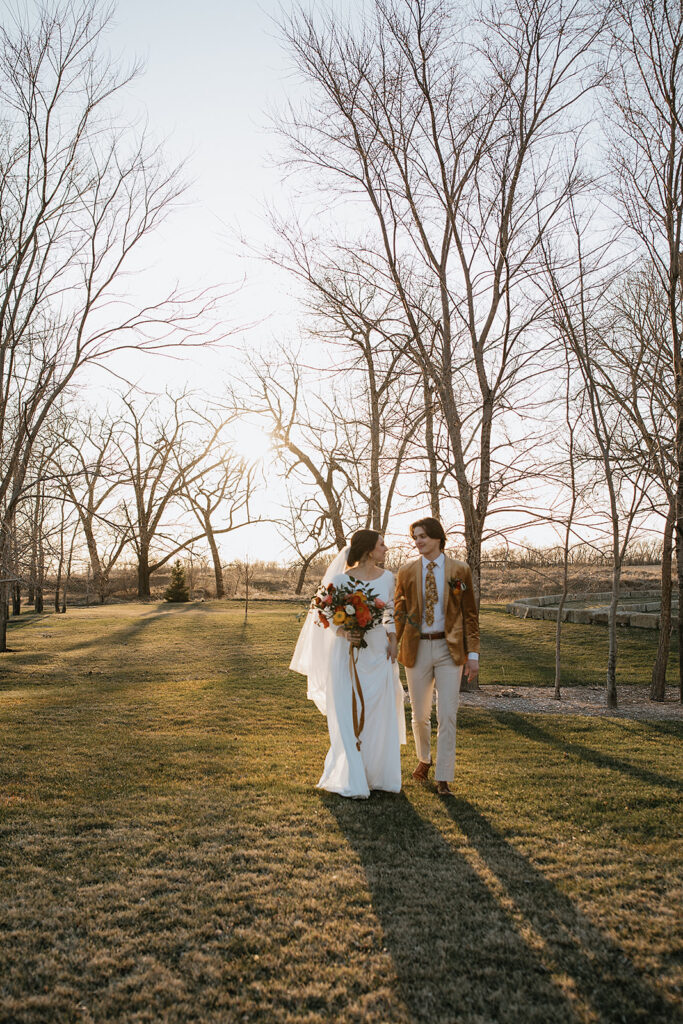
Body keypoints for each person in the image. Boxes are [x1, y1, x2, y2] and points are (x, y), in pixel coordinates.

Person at [290, 530, 406, 798]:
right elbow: (323, 614)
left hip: (378, 652)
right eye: (381, 545)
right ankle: (352, 774)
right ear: (368, 550)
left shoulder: (388, 578)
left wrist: (392, 638)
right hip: (348, 652)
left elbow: (388, 611)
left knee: (379, 711)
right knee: (348, 709)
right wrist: (343, 632)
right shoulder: (341, 580)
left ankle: (378, 774)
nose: (385, 549)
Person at [394, 517, 479, 797]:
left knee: (447, 714)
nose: (418, 541)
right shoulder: (406, 572)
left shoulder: (459, 570)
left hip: (449, 650)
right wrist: (392, 645)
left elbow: (470, 615)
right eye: (415, 537)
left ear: (438, 538)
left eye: (423, 536)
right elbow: (398, 613)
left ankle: (443, 775)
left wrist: (473, 654)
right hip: (416, 649)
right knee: (419, 716)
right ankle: (424, 759)